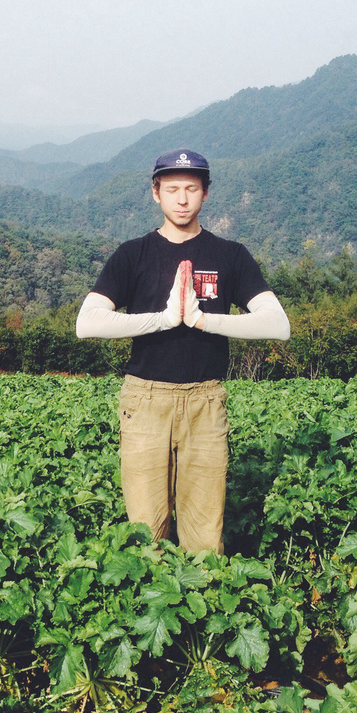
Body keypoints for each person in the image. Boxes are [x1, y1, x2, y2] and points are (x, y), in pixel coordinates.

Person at [75, 148, 290, 555]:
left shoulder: (231, 255)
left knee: (205, 536)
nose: (182, 198)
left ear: (206, 194)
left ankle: (204, 609)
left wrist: (204, 320)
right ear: (155, 193)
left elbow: (277, 324)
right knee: (146, 532)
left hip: (205, 402)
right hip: (145, 399)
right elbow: (88, 323)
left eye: (192, 189)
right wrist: (163, 318)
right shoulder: (132, 254)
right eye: (171, 189)